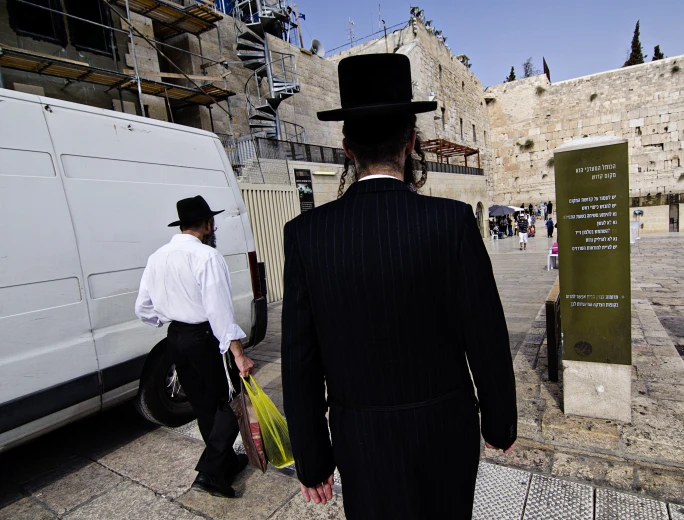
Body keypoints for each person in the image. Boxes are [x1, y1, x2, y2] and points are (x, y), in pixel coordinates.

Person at [282, 54, 517, 519]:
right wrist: (499, 423)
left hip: (361, 440)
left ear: (347, 148)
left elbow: (300, 360)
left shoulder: (306, 235)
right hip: (446, 428)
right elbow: (486, 334)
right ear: (411, 143)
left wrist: (312, 458)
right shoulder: (451, 224)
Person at [135, 195, 256, 498]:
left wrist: (167, 317)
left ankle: (225, 462)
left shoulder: (157, 257)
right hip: (203, 337)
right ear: (207, 224)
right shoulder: (206, 256)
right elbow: (219, 311)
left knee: (203, 405)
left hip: (175, 338)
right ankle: (210, 472)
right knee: (231, 402)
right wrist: (238, 354)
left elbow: (143, 309)